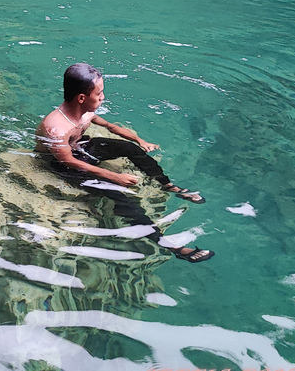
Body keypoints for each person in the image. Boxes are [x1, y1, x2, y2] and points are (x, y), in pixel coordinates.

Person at [35, 63, 214, 263]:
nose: (103, 97)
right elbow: (67, 161)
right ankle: (169, 245)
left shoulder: (85, 113)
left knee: (131, 149)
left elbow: (111, 127)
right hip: (63, 164)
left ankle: (168, 185)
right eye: (99, 93)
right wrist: (114, 176)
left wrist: (139, 141)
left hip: (80, 147)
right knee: (118, 195)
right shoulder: (56, 129)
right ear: (82, 98)